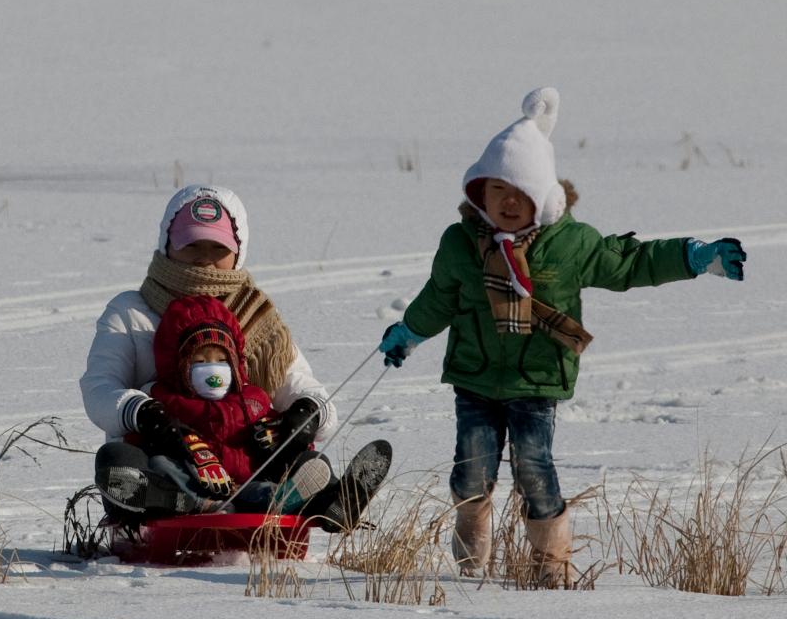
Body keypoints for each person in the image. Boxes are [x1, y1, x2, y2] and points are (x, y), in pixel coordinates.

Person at [378, 87, 746, 587]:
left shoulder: (569, 243)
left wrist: (693, 256)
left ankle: (552, 570)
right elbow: (440, 297)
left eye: (521, 194)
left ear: (543, 199)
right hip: (477, 378)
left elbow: (627, 263)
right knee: (470, 475)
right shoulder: (460, 244)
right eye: (497, 190)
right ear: (477, 193)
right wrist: (409, 332)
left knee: (533, 471)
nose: (508, 203)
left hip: (537, 380)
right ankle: (470, 566)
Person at [81, 184, 391, 529]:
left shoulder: (256, 318)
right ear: (167, 243)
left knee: (304, 461)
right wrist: (141, 413)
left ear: (238, 251)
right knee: (117, 460)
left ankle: (331, 503)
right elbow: (99, 389)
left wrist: (306, 414)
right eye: (191, 244)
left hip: (247, 459)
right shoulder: (130, 311)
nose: (204, 257)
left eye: (218, 247)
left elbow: (307, 390)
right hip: (167, 453)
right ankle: (174, 502)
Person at [137, 294, 334, 513]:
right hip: (197, 482)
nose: (212, 369)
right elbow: (144, 432)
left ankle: (289, 499)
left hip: (245, 482)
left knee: (265, 486)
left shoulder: (252, 398)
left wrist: (277, 434)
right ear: (181, 366)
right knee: (162, 465)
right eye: (200, 361)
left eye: (221, 360)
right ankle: (200, 505)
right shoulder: (167, 399)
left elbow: (270, 424)